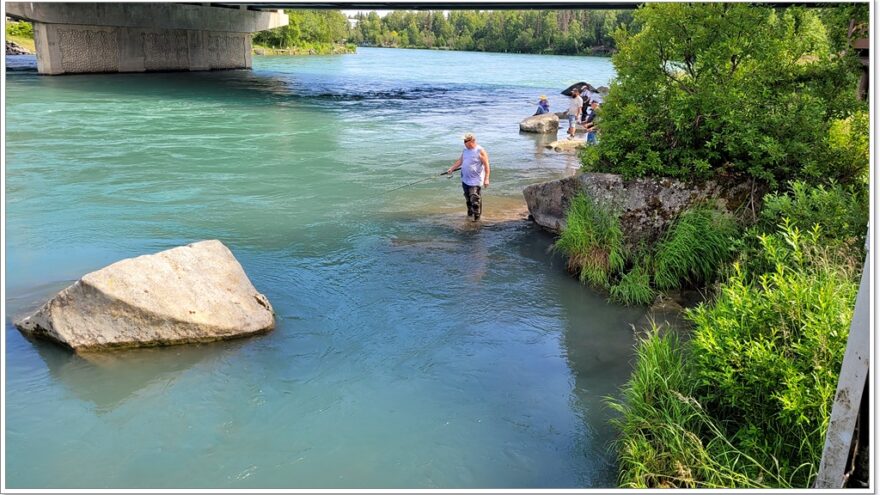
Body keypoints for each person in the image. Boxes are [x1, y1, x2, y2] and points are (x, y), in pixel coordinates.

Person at [445, 133, 490, 221]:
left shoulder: (480, 151)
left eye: (466, 141)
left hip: (475, 181)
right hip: (465, 179)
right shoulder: (465, 150)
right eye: (464, 141)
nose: (464, 143)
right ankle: (469, 216)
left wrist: (486, 179)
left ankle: (477, 220)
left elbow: (486, 165)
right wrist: (452, 168)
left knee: (475, 201)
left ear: (472, 141)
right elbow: (460, 161)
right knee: (468, 199)